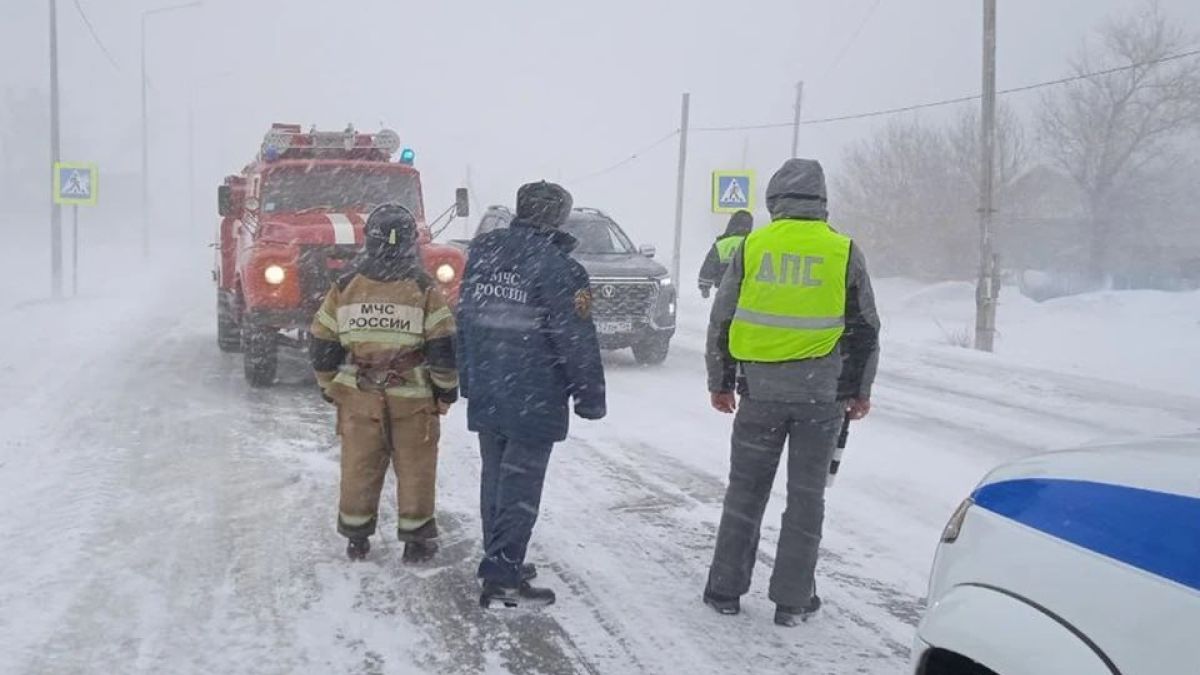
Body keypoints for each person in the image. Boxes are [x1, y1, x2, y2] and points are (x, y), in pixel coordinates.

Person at [702, 159, 880, 627]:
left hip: (759, 394)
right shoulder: (843, 250)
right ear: (821, 201)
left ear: (774, 200)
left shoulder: (753, 245)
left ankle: (725, 589)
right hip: (821, 399)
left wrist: (721, 381)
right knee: (806, 499)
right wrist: (859, 390)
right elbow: (865, 328)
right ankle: (793, 599)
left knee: (745, 491)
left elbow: (722, 317)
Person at [456, 181, 606, 608]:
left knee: (496, 480)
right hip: (533, 392)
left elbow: (464, 317)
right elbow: (574, 338)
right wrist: (590, 395)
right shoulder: (559, 267)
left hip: (489, 384)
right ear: (559, 217)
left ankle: (500, 558)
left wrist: (468, 376)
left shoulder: (483, 253)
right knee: (520, 488)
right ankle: (502, 577)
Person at [309, 204, 458, 563]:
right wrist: (445, 391)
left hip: (359, 398)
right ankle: (416, 541)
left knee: (359, 466)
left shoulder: (345, 286)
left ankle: (357, 538)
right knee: (416, 468)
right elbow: (443, 346)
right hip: (413, 400)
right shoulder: (423, 288)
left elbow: (322, 342)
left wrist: (330, 385)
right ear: (410, 240)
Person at [698, 209, 754, 298]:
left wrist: (705, 287)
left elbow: (709, 266)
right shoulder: (754, 244)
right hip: (747, 293)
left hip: (724, 292)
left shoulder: (722, 245)